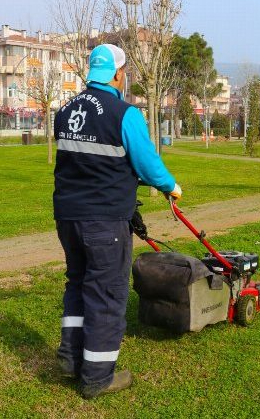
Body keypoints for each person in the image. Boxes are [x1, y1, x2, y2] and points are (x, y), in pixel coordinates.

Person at [53, 44, 182, 399]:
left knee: (78, 283)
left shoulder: (64, 110)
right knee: (106, 293)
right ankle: (97, 376)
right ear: (118, 74)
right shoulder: (125, 114)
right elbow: (147, 164)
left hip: (68, 217)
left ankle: (71, 357)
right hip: (104, 221)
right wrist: (171, 186)